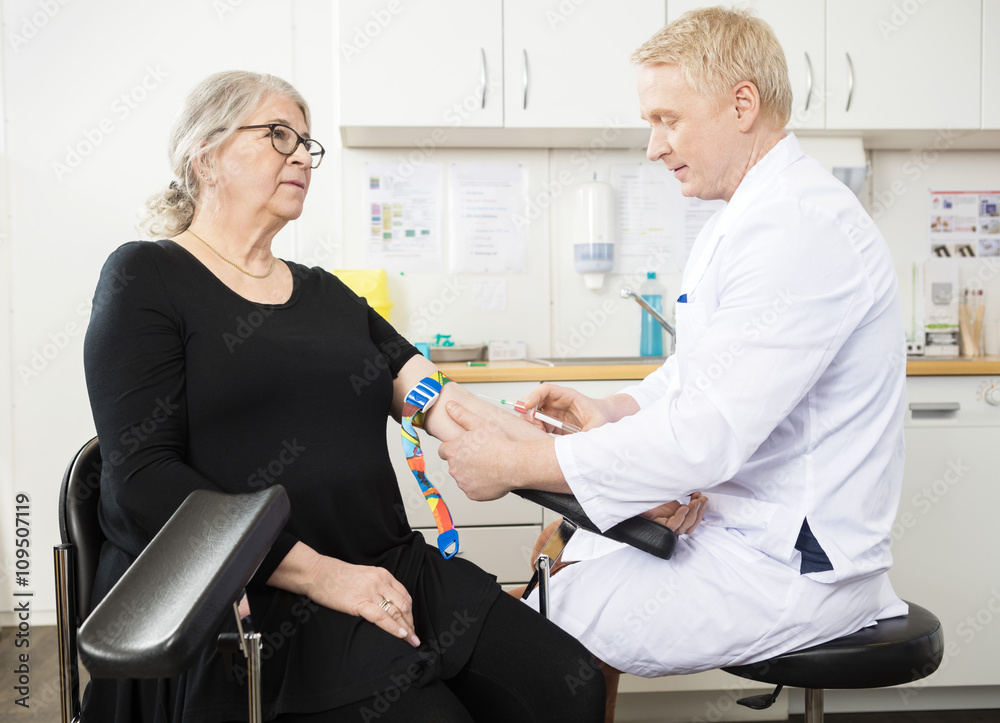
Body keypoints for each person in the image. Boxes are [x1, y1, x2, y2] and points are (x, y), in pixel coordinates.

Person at [81, 70, 607, 723]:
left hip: (389, 561)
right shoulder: (147, 277)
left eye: (306, 142)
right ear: (206, 155)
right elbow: (140, 479)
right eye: (278, 134)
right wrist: (327, 577)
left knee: (570, 683)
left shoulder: (329, 295)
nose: (302, 154)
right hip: (267, 590)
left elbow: (448, 407)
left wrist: (605, 460)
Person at [439, 6, 908, 718]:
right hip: (748, 529)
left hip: (795, 564)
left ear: (741, 103)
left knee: (526, 624)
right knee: (568, 554)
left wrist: (511, 465)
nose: (654, 147)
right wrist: (614, 411)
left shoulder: (799, 228)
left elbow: (704, 434)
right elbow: (696, 380)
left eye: (668, 119)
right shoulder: (750, 218)